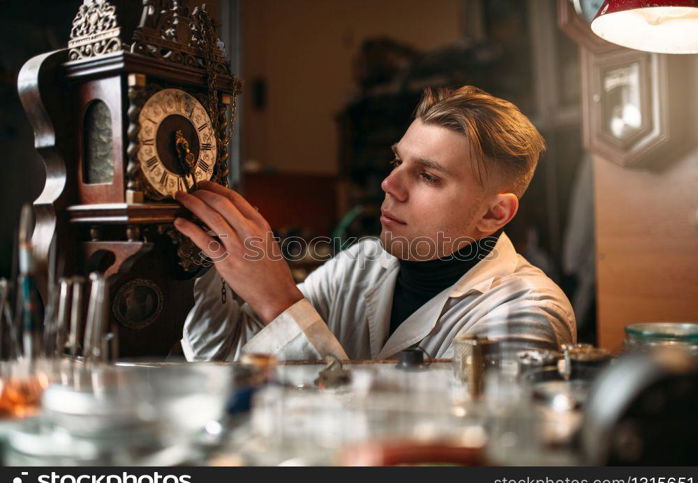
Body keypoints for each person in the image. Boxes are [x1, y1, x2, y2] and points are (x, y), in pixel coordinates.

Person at [175, 85, 576, 361]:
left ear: (494, 214)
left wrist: (279, 302)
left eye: (428, 176)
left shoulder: (527, 311)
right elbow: (222, 356)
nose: (390, 184)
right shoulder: (359, 266)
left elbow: (428, 461)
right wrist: (206, 254)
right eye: (398, 161)